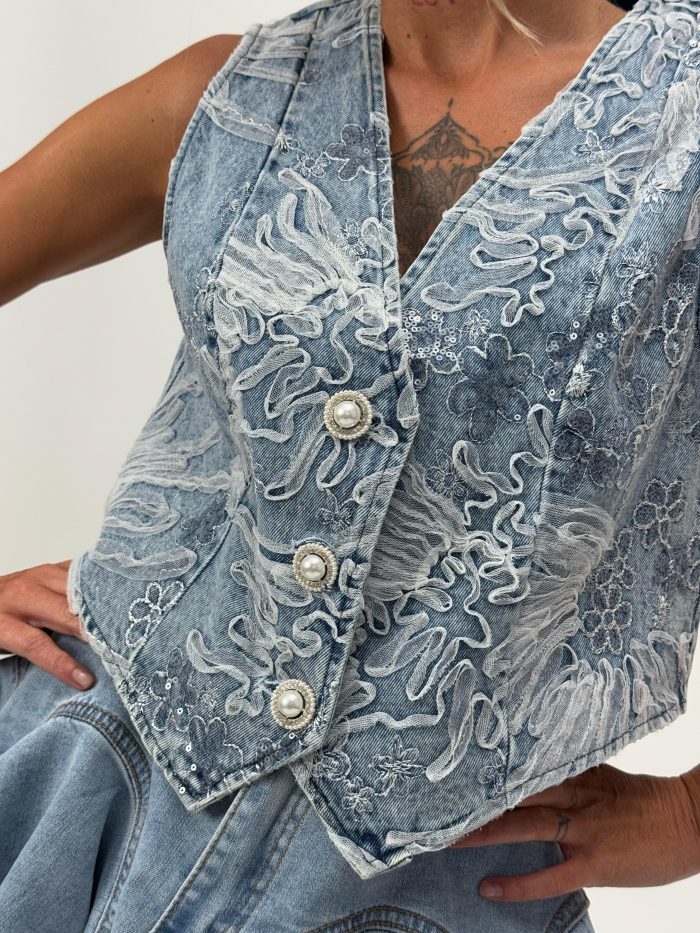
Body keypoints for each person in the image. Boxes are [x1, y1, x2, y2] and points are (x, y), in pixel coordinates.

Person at [1, 1, 699, 930]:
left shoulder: (680, 124)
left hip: (429, 883)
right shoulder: (228, 93)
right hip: (68, 769)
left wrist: (688, 816)